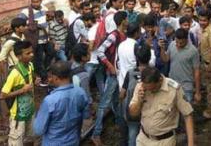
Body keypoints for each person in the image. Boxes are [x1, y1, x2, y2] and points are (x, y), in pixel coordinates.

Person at [128, 66, 195, 146]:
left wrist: (191, 143)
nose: (150, 91)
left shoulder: (173, 89)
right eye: (147, 89)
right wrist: (139, 101)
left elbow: (187, 115)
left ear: (160, 80)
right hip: (143, 139)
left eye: (153, 89)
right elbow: (133, 113)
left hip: (164, 141)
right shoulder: (141, 87)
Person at [92, 11, 128, 146]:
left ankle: (119, 122)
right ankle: (96, 133)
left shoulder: (123, 35)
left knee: (115, 99)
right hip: (113, 74)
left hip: (118, 73)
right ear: (123, 20)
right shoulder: (114, 35)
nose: (128, 20)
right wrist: (110, 66)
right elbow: (100, 51)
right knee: (104, 103)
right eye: (126, 19)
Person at [33, 61, 90, 146]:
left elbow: (38, 130)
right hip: (73, 141)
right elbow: (86, 115)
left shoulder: (49, 101)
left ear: (56, 78)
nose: (50, 79)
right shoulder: (81, 93)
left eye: (50, 77)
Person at [0, 41, 36, 146]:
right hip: (18, 116)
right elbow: (2, 95)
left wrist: (35, 81)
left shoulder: (30, 65)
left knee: (30, 138)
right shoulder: (14, 73)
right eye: (28, 53)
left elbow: (31, 80)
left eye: (31, 52)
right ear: (19, 56)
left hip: (30, 110)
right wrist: (21, 90)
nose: (32, 55)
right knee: (16, 141)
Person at [120, 43, 151, 146]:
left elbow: (122, 94)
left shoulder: (130, 73)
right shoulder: (154, 73)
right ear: (149, 57)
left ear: (137, 57)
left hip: (132, 113)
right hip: (148, 113)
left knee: (132, 136)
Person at [160, 28, 201, 104]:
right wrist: (162, 49)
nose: (178, 44)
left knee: (186, 111)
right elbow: (165, 59)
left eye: (181, 43)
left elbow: (197, 71)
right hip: (172, 84)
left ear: (186, 39)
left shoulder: (193, 51)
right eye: (177, 42)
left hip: (186, 87)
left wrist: (198, 92)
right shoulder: (172, 44)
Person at [19, 0, 49, 87]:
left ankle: (42, 70)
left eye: (37, 2)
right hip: (36, 40)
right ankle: (44, 78)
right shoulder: (26, 11)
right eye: (33, 2)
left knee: (51, 53)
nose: (35, 4)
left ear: (41, 1)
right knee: (38, 59)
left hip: (46, 39)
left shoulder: (44, 9)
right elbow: (19, 21)